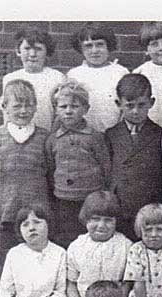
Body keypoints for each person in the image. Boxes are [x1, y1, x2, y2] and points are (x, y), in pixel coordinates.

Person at [0, 79, 51, 266]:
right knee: (2, 257)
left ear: (36, 107)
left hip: (38, 209)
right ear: (5, 107)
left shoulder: (44, 137)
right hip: (8, 210)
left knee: (37, 257)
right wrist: (2, 190)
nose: (23, 111)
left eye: (29, 105)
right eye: (17, 105)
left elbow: (51, 170)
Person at [57, 191, 132, 297]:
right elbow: (71, 283)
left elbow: (127, 282)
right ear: (86, 220)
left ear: (116, 221)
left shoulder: (125, 246)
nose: (101, 225)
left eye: (108, 220)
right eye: (95, 219)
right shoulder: (76, 247)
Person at [45, 79, 111, 245]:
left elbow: (106, 166)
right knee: (67, 236)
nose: (68, 111)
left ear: (85, 109)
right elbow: (51, 168)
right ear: (56, 109)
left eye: (74, 107)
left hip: (90, 198)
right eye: (63, 107)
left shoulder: (95, 137)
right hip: (63, 199)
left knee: (90, 236)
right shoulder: (52, 140)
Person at [105, 74, 162, 240]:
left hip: (149, 206)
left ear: (151, 103)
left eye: (141, 105)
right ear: (119, 104)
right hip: (121, 206)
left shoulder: (160, 134)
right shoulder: (111, 135)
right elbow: (108, 172)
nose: (136, 111)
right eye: (129, 106)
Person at [67, 23, 129, 133]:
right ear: (81, 48)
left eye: (99, 45)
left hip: (115, 132)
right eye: (88, 46)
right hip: (83, 134)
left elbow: (127, 104)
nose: (94, 50)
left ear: (108, 46)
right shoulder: (74, 74)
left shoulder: (120, 72)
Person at [1, 26, 65, 131]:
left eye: (38, 49)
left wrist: (53, 135)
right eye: (27, 48)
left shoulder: (57, 77)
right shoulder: (10, 78)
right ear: (18, 51)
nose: (32, 54)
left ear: (47, 52)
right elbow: (6, 113)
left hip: (48, 133)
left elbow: (60, 112)